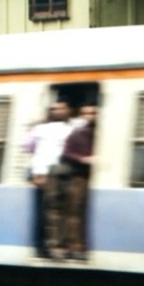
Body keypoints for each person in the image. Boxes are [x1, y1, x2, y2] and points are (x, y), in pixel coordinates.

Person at [22, 101, 74, 259]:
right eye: (54, 109)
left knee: (57, 213)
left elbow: (27, 147)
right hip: (44, 174)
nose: (57, 111)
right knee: (45, 213)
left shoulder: (71, 129)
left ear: (68, 110)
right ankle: (42, 246)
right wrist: (38, 172)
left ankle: (53, 246)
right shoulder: (41, 129)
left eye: (60, 108)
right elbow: (27, 147)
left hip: (61, 174)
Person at [57, 105, 97, 261]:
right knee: (74, 213)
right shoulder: (77, 133)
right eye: (86, 113)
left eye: (93, 113)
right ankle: (74, 247)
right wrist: (84, 159)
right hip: (78, 176)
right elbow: (67, 153)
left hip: (90, 177)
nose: (90, 116)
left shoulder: (98, 133)